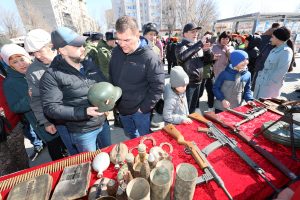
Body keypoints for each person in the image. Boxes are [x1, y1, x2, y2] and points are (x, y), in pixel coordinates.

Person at [40, 27, 111, 153]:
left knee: (109, 156)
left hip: (103, 123)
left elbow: (103, 83)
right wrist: (84, 112)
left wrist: (108, 101)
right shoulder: (51, 75)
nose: (83, 48)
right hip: (83, 132)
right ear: (62, 50)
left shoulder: (89, 63)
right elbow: (51, 108)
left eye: (82, 45)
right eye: (76, 46)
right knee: (89, 164)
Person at [0, 43, 66, 161]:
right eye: (15, 62)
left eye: (22, 59)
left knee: (69, 146)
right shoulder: (10, 83)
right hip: (41, 122)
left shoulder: (40, 68)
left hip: (60, 115)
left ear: (27, 57)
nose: (21, 64)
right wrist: (29, 97)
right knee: (57, 151)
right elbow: (15, 107)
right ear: (9, 65)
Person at [109, 16, 164, 139]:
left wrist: (143, 109)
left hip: (140, 111)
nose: (122, 44)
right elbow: (112, 75)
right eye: (119, 40)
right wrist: (114, 101)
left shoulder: (150, 57)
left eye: (126, 40)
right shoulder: (116, 52)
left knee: (144, 138)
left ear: (137, 35)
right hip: (122, 109)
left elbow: (157, 86)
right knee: (131, 135)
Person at [24, 28, 76, 155]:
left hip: (81, 115)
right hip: (60, 121)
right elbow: (35, 100)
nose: (37, 56)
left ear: (51, 46)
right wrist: (46, 122)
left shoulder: (68, 57)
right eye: (33, 53)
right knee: (74, 152)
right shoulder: (32, 71)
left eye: (39, 51)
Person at [175, 22, 212, 113]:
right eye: (192, 32)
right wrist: (200, 44)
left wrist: (207, 51)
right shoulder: (180, 46)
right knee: (184, 110)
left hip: (198, 82)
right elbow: (181, 58)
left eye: (196, 32)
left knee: (192, 109)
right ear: (184, 34)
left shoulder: (197, 46)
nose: (196, 34)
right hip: (187, 84)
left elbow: (207, 61)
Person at [0, 74, 29, 176]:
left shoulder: (2, 79)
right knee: (5, 164)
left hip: (11, 125)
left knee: (20, 156)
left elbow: (11, 98)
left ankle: (28, 178)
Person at [254, 27, 293, 99]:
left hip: (269, 88)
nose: (270, 39)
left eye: (272, 37)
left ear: (278, 38)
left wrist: (267, 83)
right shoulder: (274, 49)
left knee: (262, 107)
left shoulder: (286, 52)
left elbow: (280, 72)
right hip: (261, 84)